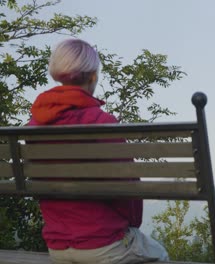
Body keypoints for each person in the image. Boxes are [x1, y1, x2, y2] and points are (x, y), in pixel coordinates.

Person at [28, 39, 169, 264]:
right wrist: (129, 225)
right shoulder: (102, 123)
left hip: (57, 246)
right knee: (160, 255)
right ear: (93, 76)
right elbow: (129, 190)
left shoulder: (34, 126)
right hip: (104, 244)